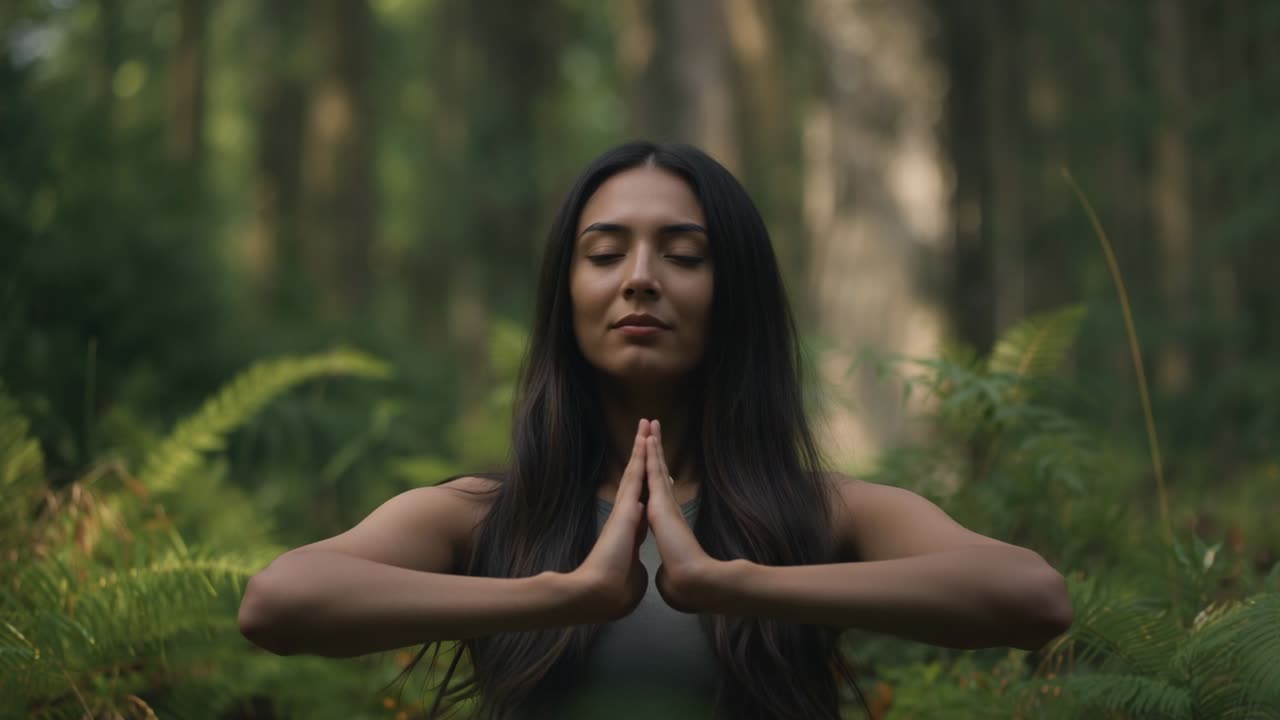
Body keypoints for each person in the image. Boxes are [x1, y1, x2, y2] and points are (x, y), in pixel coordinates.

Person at [237, 141, 1074, 719]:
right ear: (566, 298)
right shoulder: (484, 514)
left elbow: (1031, 597)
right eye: (605, 254)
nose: (640, 279)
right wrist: (561, 596)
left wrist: (735, 584)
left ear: (733, 291)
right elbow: (279, 603)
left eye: (684, 253)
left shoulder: (825, 512)